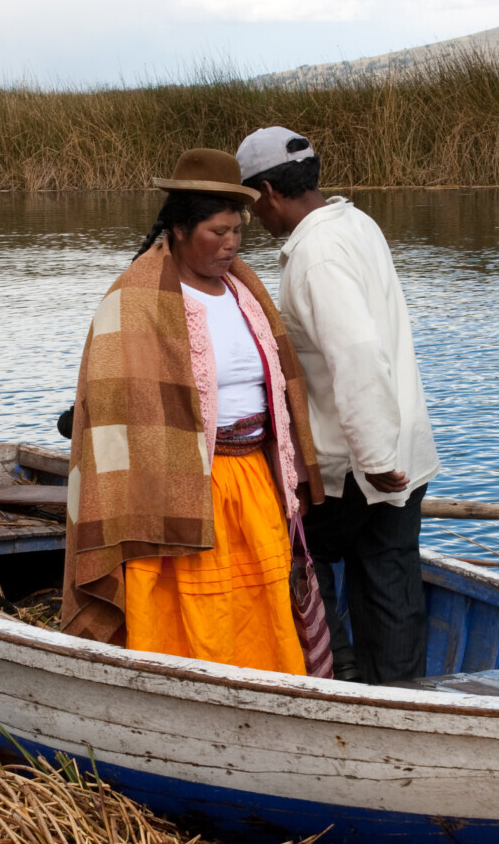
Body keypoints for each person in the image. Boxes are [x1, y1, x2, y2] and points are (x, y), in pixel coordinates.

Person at [59, 148, 326, 675]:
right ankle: (178, 688)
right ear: (179, 230)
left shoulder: (244, 290)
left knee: (259, 603)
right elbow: (113, 403)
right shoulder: (137, 298)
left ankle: (269, 687)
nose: (231, 243)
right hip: (176, 486)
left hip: (252, 478)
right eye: (217, 232)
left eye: (238, 231)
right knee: (193, 605)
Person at [236, 126, 440, 684]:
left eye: (252, 204)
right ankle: (402, 697)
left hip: (358, 461)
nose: (253, 218)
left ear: (269, 192)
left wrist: (373, 458)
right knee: (390, 578)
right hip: (403, 443)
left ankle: (337, 672)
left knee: (298, 550)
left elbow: (357, 354)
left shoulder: (315, 256)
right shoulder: (356, 223)